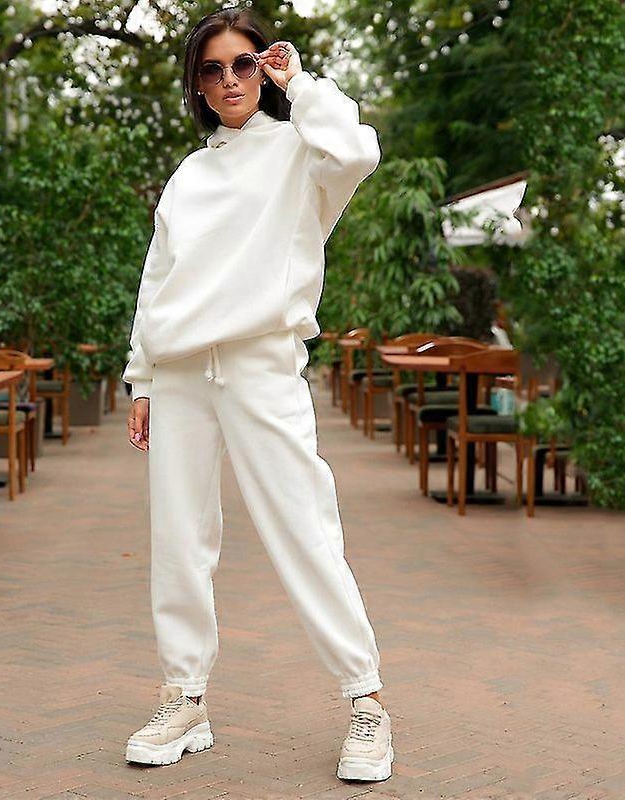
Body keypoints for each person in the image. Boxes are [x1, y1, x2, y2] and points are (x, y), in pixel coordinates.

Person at [123, 6, 392, 783]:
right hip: (180, 372)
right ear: (197, 86)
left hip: (261, 364)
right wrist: (142, 377)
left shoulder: (302, 150)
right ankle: (185, 697)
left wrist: (298, 81)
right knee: (179, 538)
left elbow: (359, 149)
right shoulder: (189, 176)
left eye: (244, 63)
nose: (230, 80)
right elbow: (158, 279)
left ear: (264, 69)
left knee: (303, 525)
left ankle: (366, 699)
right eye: (212, 69)